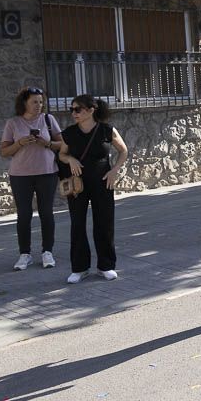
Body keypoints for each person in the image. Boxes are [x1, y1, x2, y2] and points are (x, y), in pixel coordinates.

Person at [57, 95, 128, 285]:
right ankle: (80, 268)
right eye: (72, 109)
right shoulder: (69, 133)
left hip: (103, 182)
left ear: (90, 110)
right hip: (78, 185)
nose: (74, 113)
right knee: (77, 224)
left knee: (104, 223)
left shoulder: (106, 130)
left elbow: (123, 151)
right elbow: (62, 154)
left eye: (77, 109)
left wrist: (114, 170)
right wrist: (70, 159)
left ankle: (106, 266)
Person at [0, 87, 63, 270]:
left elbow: (63, 144)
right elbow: (4, 151)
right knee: (24, 214)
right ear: (24, 103)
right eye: (34, 102)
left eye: (41, 101)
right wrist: (19, 143)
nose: (38, 105)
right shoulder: (13, 123)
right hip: (20, 175)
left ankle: (47, 252)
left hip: (47, 172)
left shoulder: (48, 119)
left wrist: (47, 143)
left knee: (46, 212)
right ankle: (24, 254)